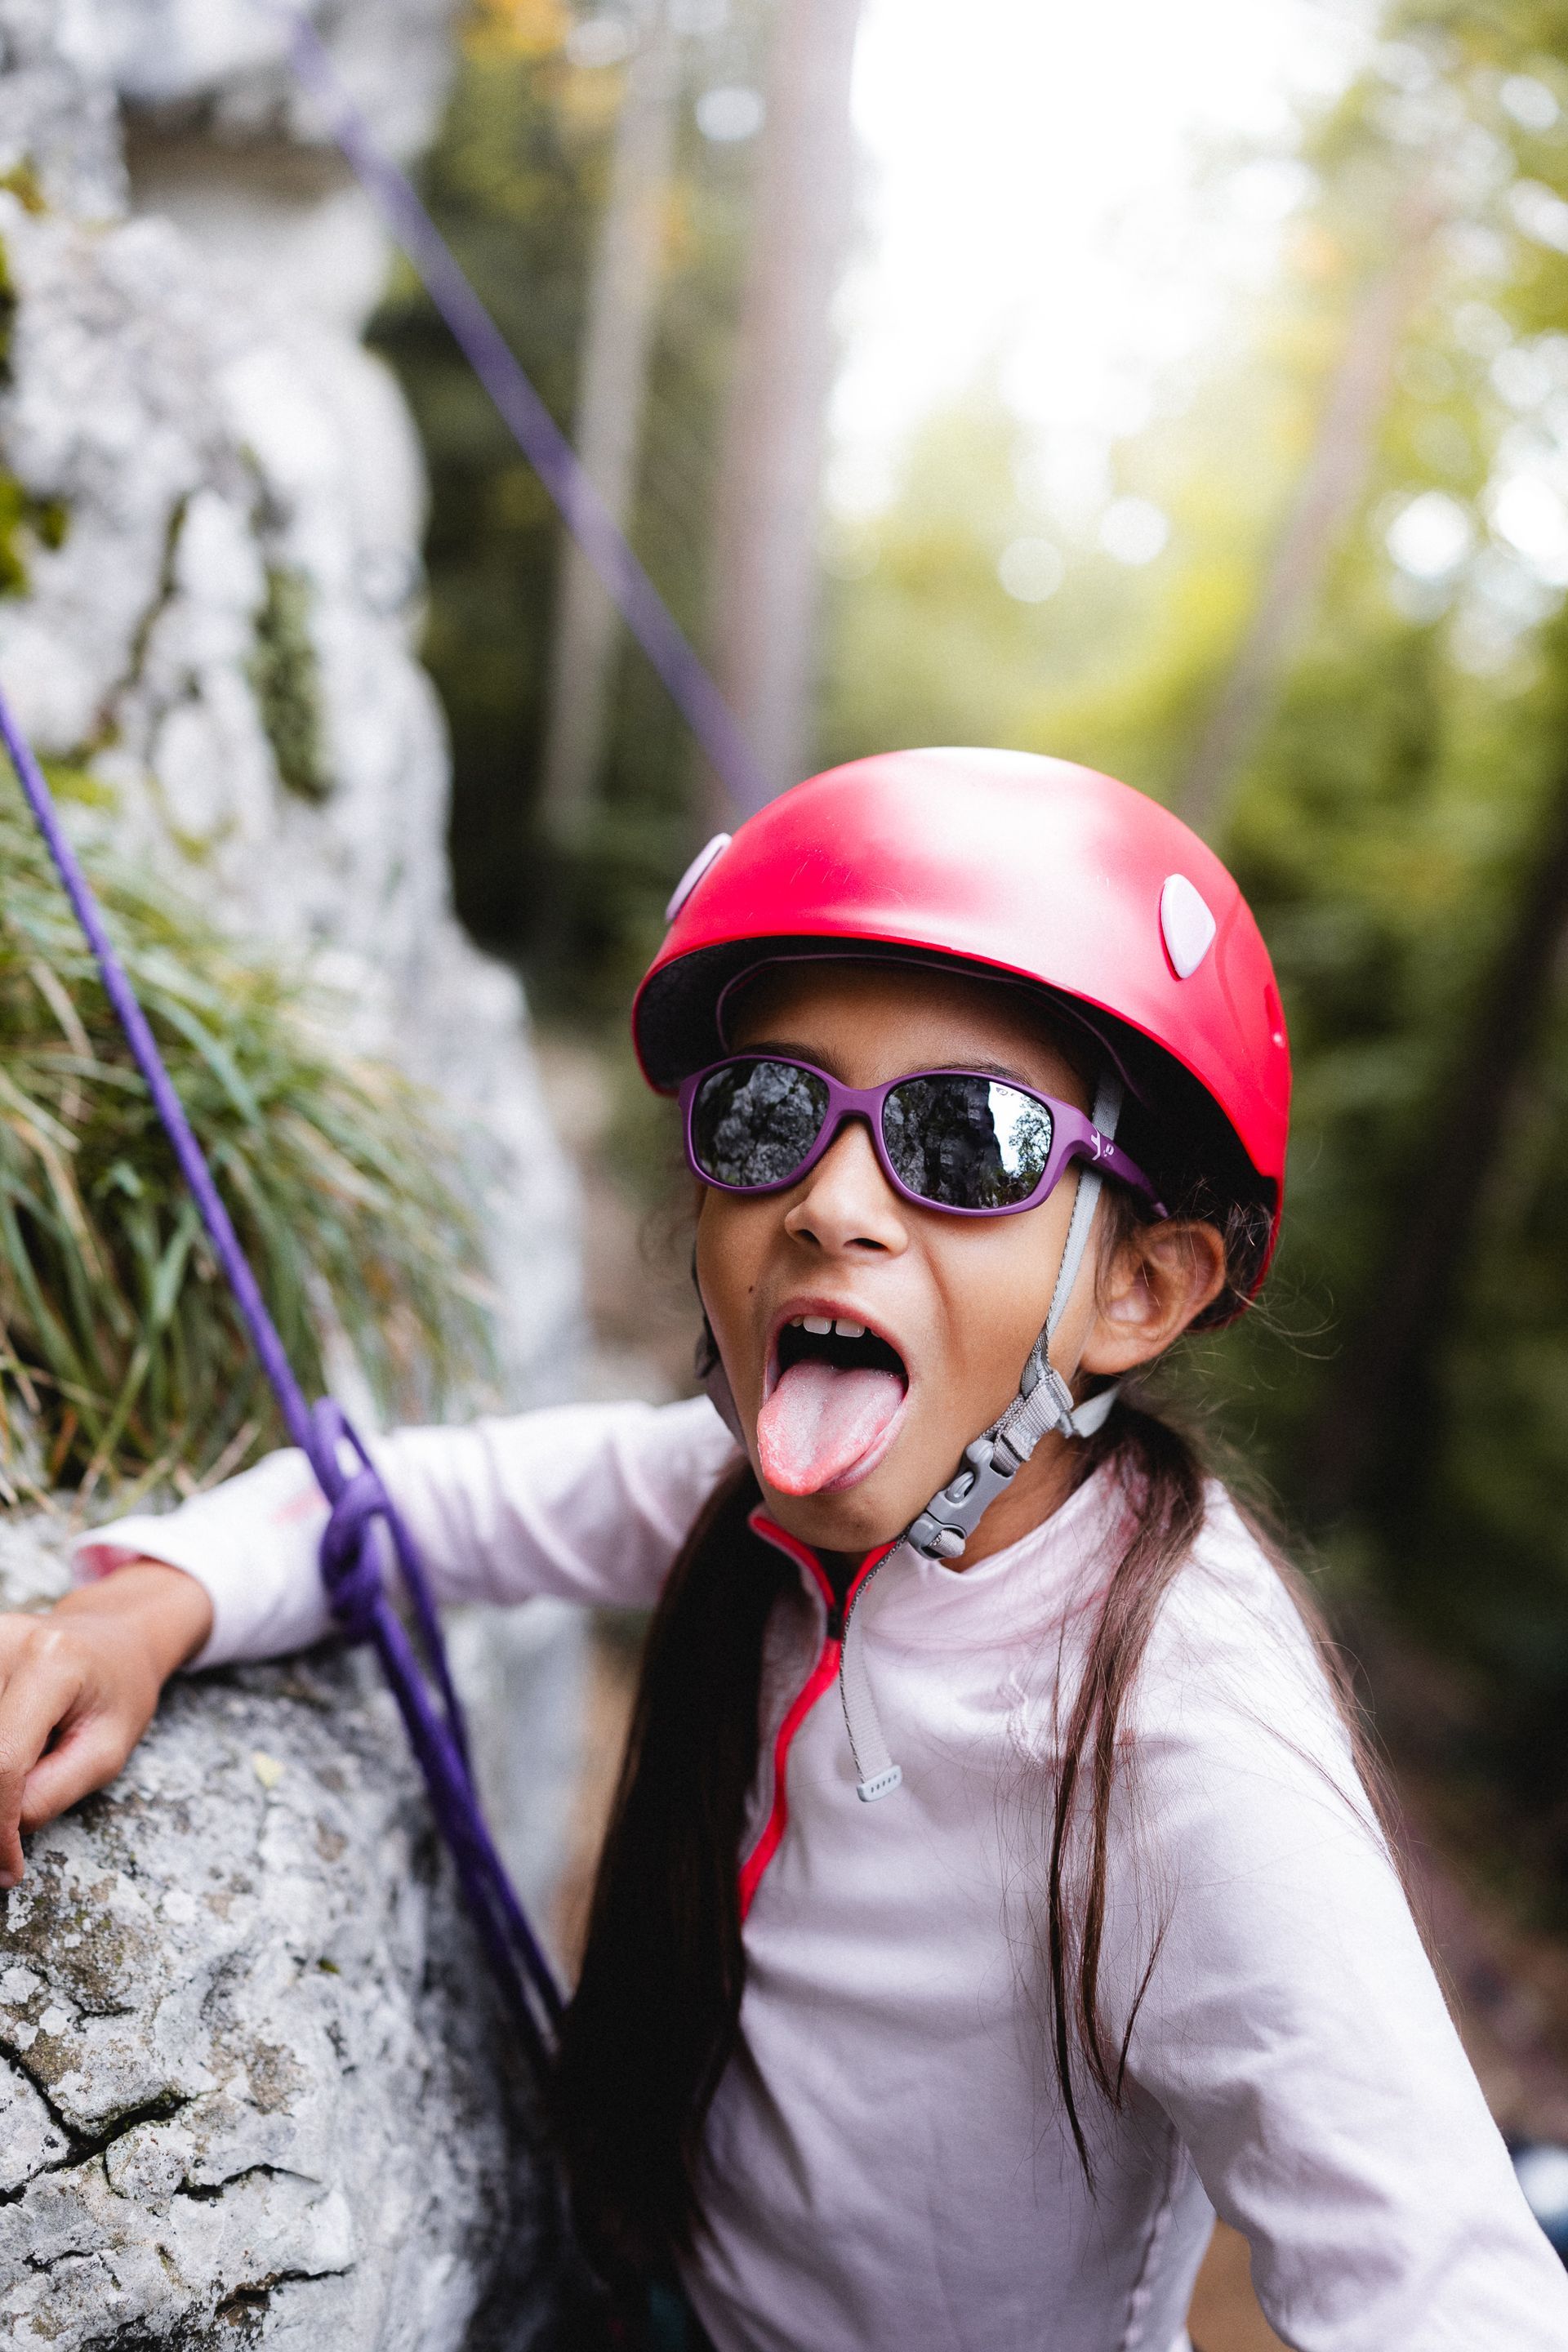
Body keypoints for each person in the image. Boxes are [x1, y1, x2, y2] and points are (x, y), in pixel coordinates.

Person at [2, 747, 1566, 2352]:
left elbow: (1439, 2288)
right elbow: (421, 1502)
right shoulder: (742, 1489)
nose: (831, 1203)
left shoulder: (1176, 1738)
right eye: (767, 1115)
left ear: (1137, 1290)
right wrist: (150, 1604)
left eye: (964, 1142)